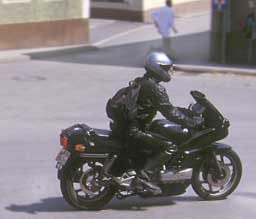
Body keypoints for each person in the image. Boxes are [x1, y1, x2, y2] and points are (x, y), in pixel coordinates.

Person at [108, 52, 204, 194]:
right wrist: (192, 122)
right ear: (157, 68)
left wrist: (186, 112)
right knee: (169, 146)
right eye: (165, 68)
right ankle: (143, 177)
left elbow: (167, 107)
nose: (168, 71)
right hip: (135, 131)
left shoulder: (141, 81)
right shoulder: (154, 87)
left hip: (124, 127)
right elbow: (169, 112)